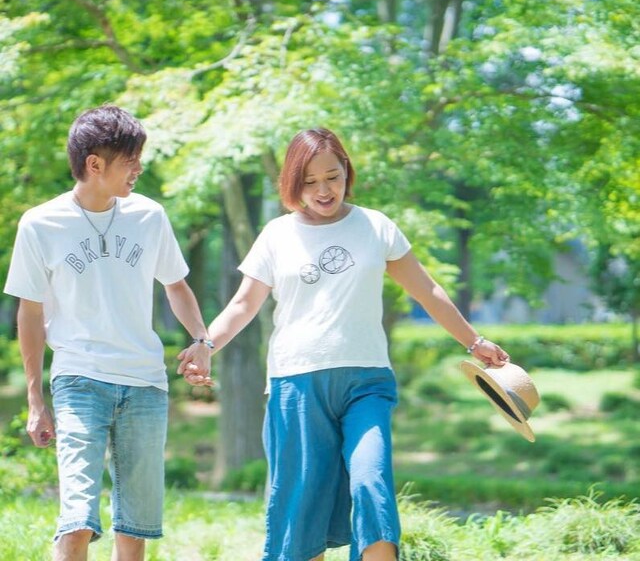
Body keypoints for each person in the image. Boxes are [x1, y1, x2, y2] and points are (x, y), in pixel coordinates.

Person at [178, 127, 510, 561]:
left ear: (346, 172)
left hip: (366, 381)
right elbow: (243, 304)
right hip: (296, 384)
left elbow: (427, 290)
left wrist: (474, 341)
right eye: (310, 181)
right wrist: (205, 344)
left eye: (332, 177)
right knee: (302, 508)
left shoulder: (376, 226)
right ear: (293, 184)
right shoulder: (277, 234)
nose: (323, 190)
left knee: (372, 484)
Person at [3, 105, 213, 561]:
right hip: (79, 379)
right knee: (77, 520)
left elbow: (176, 285)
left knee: (133, 528)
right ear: (95, 164)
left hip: (145, 384)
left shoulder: (149, 216)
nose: (139, 169)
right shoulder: (40, 224)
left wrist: (201, 339)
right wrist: (36, 399)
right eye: (130, 160)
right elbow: (30, 312)